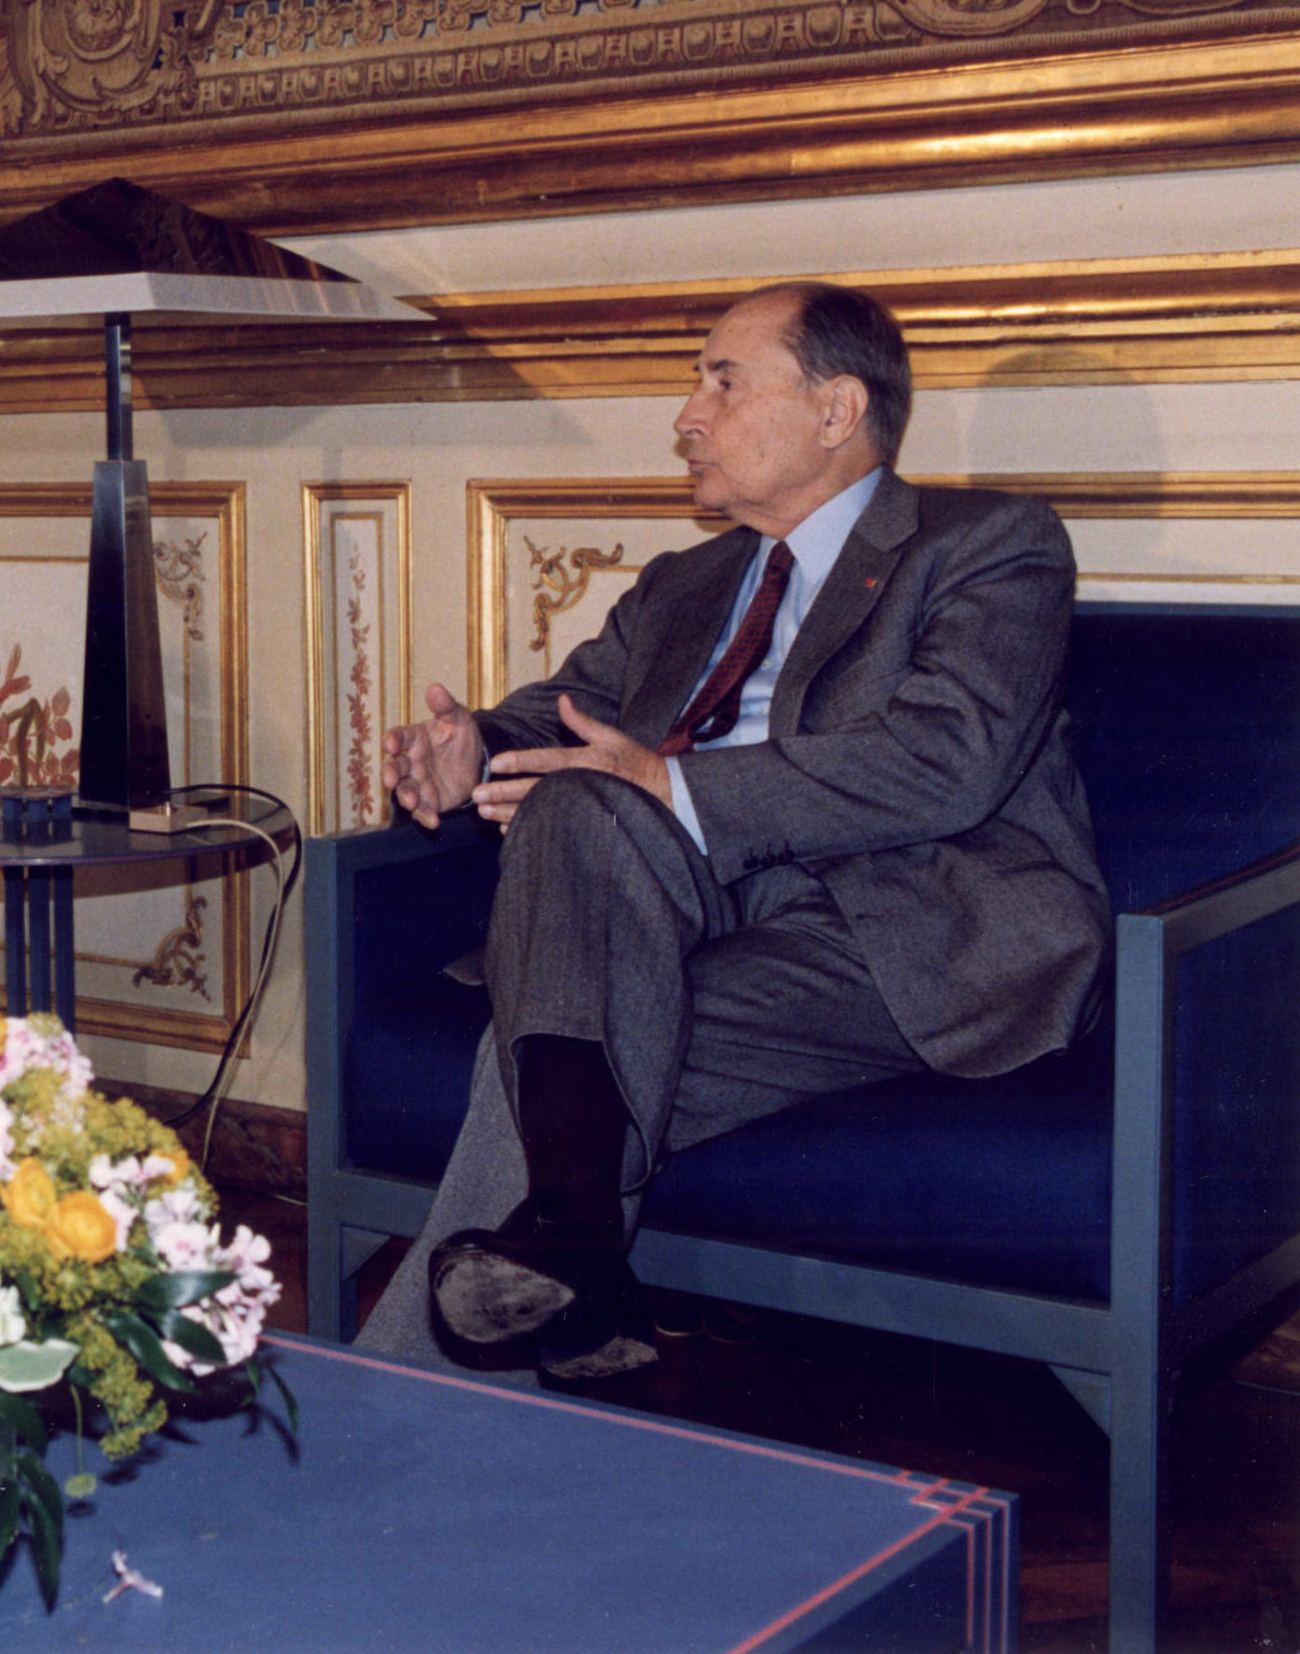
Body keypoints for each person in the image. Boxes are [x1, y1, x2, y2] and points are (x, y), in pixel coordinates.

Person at [357, 282, 1108, 1380]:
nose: (685, 415)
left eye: (720, 378)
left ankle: (408, 1380)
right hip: (683, 908)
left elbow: (947, 760)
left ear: (836, 409)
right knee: (572, 817)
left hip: (895, 928)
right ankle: (571, 1250)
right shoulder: (683, 583)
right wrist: (475, 744)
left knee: (555, 1041)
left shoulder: (990, 542)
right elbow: (567, 715)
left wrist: (675, 788)